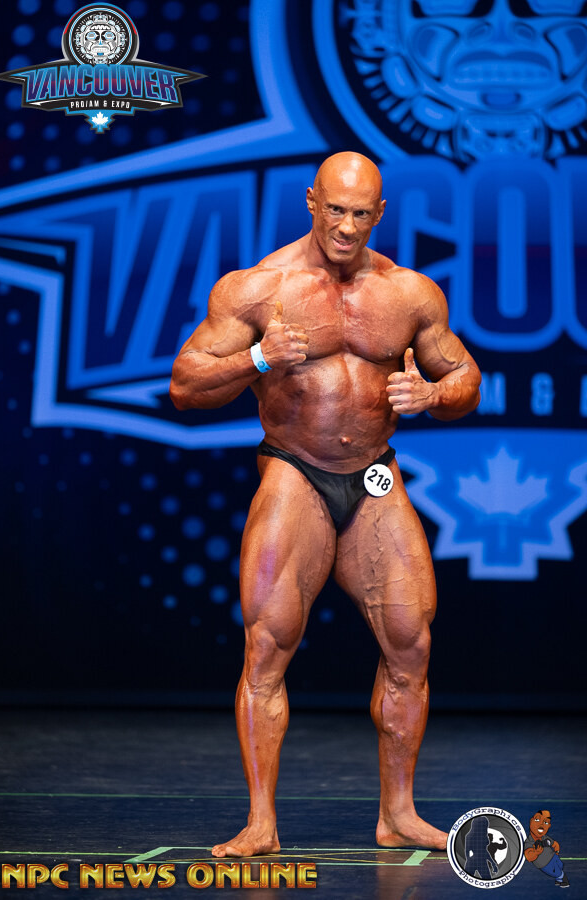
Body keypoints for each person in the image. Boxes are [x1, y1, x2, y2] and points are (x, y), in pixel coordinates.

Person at [170, 151, 481, 857]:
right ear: (311, 201)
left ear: (379, 214)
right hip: (295, 472)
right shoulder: (259, 288)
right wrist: (259, 359)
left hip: (374, 477)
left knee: (412, 643)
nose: (345, 226)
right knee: (267, 646)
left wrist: (434, 394)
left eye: (360, 213)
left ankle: (397, 814)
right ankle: (261, 823)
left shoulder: (411, 294)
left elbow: (466, 377)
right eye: (334, 209)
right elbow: (185, 385)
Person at [524, 810, 569, 888]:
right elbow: (528, 856)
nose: (541, 824)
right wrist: (536, 853)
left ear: (549, 826)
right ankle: (563, 878)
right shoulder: (529, 842)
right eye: (537, 819)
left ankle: (559, 880)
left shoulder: (545, 837)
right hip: (544, 864)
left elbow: (554, 843)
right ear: (531, 821)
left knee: (560, 865)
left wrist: (557, 850)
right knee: (557, 873)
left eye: (545, 822)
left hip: (553, 856)